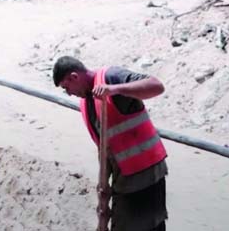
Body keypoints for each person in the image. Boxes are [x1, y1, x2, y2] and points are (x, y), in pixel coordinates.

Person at [52, 56, 168, 231]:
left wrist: (115, 89)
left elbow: (156, 86)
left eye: (66, 87)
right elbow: (104, 146)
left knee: (141, 225)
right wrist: (104, 183)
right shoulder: (87, 101)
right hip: (124, 176)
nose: (68, 93)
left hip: (146, 171)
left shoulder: (111, 77)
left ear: (74, 77)